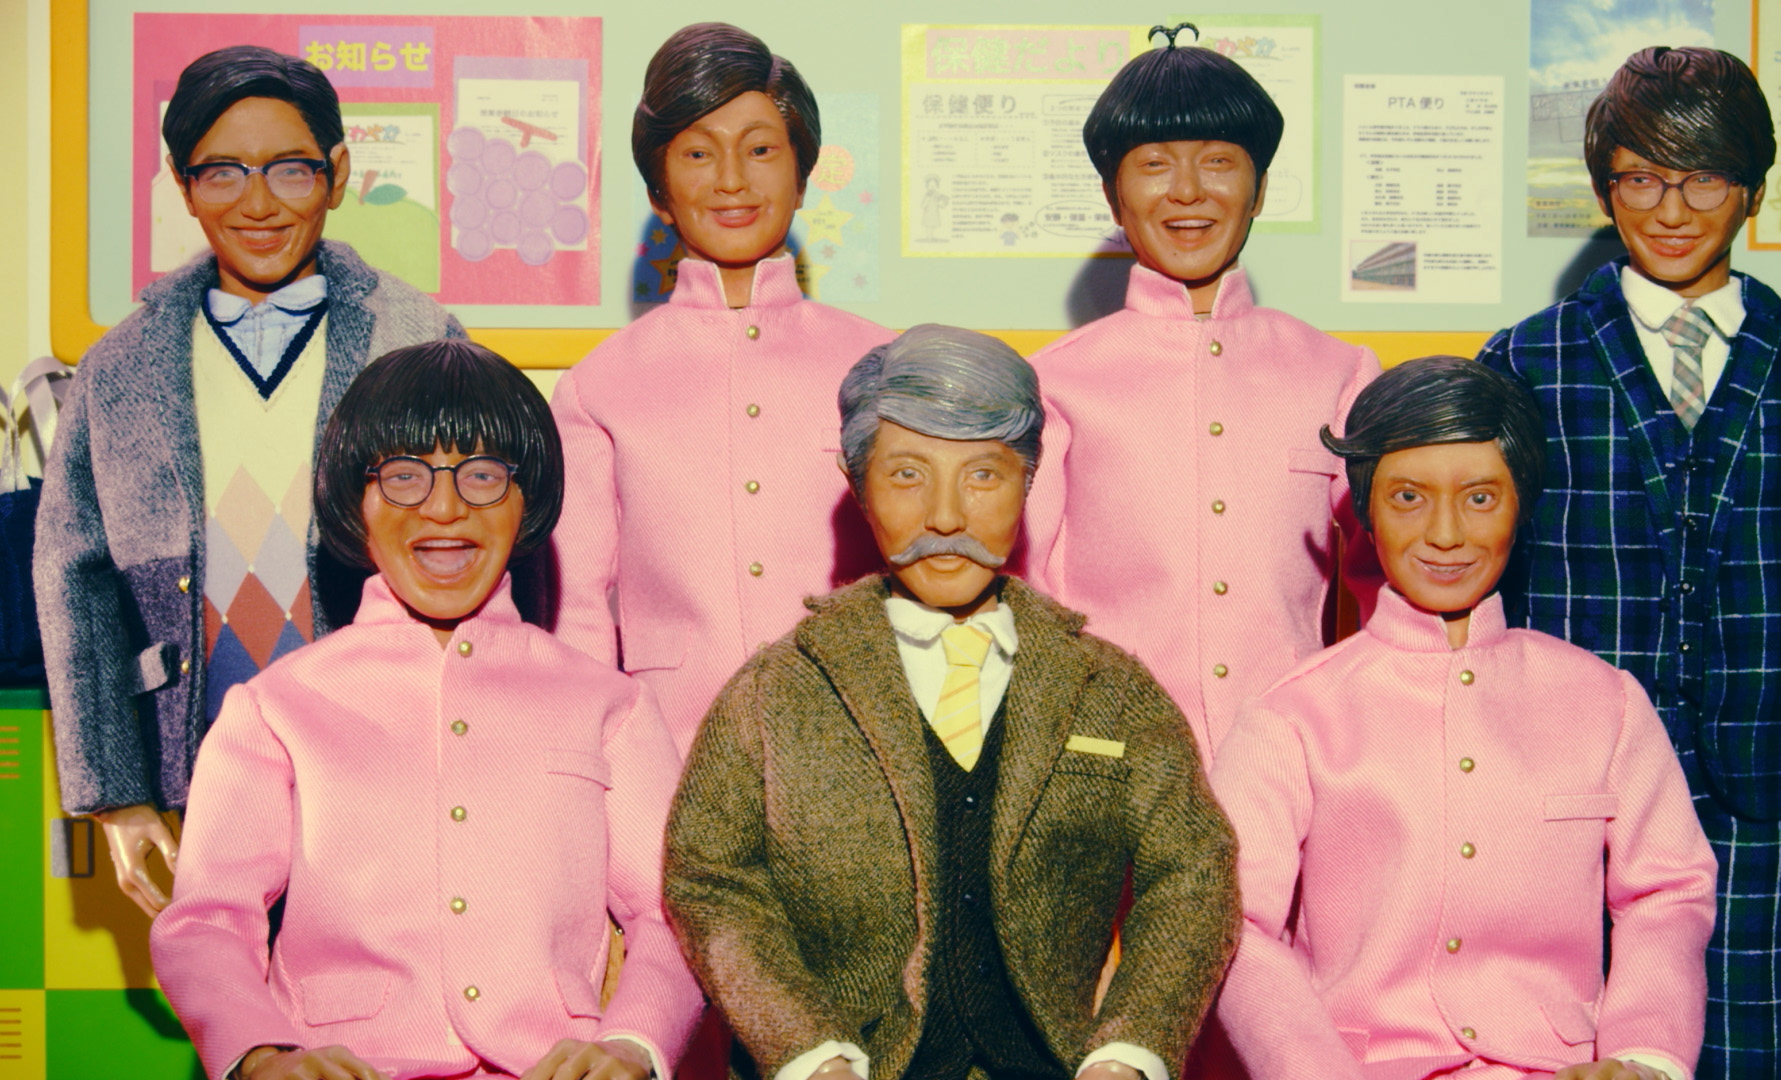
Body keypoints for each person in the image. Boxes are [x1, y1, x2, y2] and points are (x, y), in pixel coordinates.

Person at [1477, 47, 1781, 1080]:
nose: (1671, 210)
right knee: (1562, 1043)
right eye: (1641, 178)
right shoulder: (1524, 365)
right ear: (1603, 189)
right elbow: (1475, 585)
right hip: (1566, 795)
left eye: (1703, 178)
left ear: (1753, 188)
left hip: (1758, 799)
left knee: (1743, 1048)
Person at [664, 325, 1238, 1080]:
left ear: (1029, 482)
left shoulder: (1110, 690)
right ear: (856, 483)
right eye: (907, 475)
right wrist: (808, 1051)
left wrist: (1130, 1050)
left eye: (984, 476)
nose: (945, 516)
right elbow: (710, 879)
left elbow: (1195, 868)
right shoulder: (777, 691)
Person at [150, 340, 702, 1080]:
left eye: (483, 475)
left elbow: (674, 913)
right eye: (405, 476)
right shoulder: (275, 708)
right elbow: (208, 920)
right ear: (356, 503)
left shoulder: (611, 706)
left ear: (528, 501)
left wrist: (633, 1044)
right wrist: (260, 1054)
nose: (445, 508)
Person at [34, 44, 463, 916]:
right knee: (229, 988)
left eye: (291, 169)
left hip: (394, 762)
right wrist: (115, 793)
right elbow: (73, 578)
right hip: (197, 770)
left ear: (338, 173)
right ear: (182, 183)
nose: (258, 203)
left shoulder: (419, 337)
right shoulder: (121, 367)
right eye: (222, 172)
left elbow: (491, 553)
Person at [1213, 357, 1718, 1080]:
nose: (1445, 533)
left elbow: (1668, 891)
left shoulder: (1604, 701)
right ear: (1366, 512)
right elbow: (1236, 924)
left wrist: (1642, 1058)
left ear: (1522, 504)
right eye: (1407, 498)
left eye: (1480, 497)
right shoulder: (1289, 717)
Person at [1024, 24, 1381, 766]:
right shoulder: (1053, 383)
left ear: (1260, 189)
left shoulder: (1337, 373)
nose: (1188, 192)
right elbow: (1027, 602)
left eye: (1218, 161)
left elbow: (1386, 585)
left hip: (1292, 764)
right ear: (1113, 195)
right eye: (1154, 165)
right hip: (1109, 766)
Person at [550, 22, 893, 754]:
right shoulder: (598, 387)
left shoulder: (882, 362)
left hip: (860, 745)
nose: (732, 180)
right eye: (699, 153)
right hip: (671, 750)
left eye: (761, 150)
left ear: (802, 176)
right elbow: (577, 606)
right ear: (659, 190)